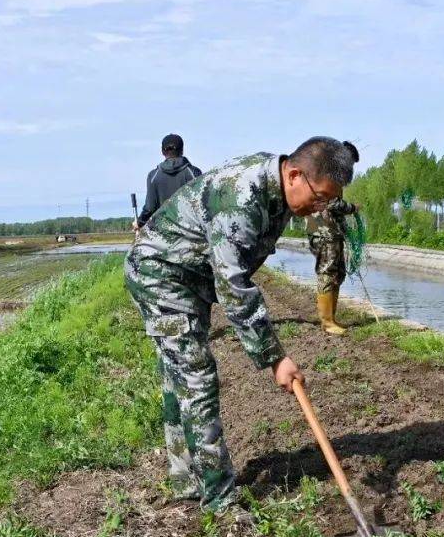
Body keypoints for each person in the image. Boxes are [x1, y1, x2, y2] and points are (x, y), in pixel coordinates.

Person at [125, 137, 359, 510]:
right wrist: (274, 357)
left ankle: (186, 479)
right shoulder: (244, 196)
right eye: (319, 197)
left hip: (190, 278)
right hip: (161, 276)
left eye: (328, 201)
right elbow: (233, 284)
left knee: (178, 376)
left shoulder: (281, 191)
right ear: (295, 174)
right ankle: (220, 500)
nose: (321, 207)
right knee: (195, 376)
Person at [306, 197, 358, 335]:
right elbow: (333, 202)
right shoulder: (325, 179)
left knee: (338, 274)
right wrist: (353, 208)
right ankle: (327, 322)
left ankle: (332, 319)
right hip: (324, 234)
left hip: (332, 233)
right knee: (328, 273)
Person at [134, 133, 202, 230]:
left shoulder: (153, 176)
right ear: (182, 150)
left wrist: (139, 223)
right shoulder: (194, 173)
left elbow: (149, 208)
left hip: (163, 235)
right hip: (191, 233)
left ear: (162, 151)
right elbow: (201, 205)